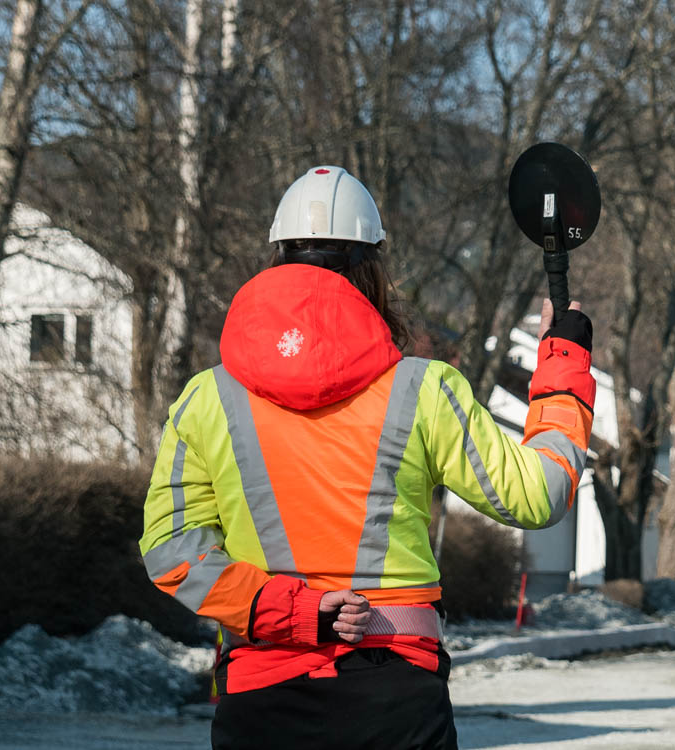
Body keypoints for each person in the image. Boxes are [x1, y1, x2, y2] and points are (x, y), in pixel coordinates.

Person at [137, 166, 596, 750]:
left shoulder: (208, 397)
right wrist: (563, 364)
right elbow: (538, 494)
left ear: (277, 259)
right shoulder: (424, 389)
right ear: (373, 268)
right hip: (396, 700)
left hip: (261, 698)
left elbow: (171, 551)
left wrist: (292, 611)